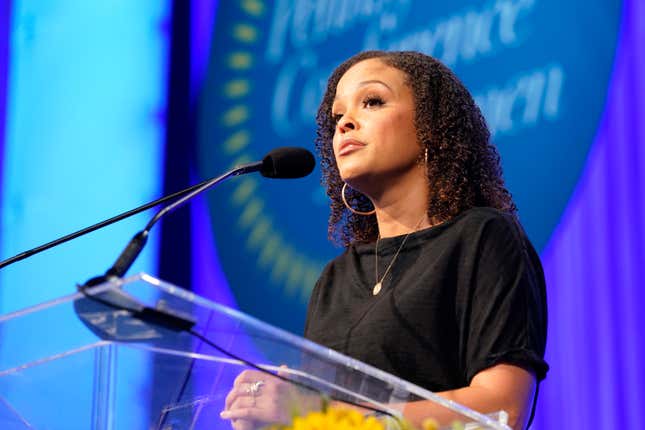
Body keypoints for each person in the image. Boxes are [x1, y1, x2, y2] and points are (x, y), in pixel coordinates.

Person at [220, 50, 548, 430]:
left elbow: (500, 408)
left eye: (372, 101)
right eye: (337, 117)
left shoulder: (482, 238)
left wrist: (313, 411)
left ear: (431, 125)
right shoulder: (335, 279)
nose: (344, 125)